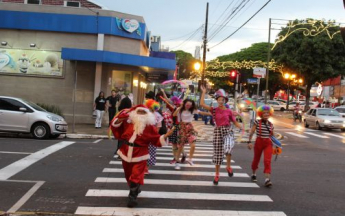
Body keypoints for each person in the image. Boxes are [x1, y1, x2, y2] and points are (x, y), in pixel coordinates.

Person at [110, 105, 174, 207]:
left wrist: (166, 135)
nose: (141, 115)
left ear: (148, 115)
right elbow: (115, 126)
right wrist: (120, 117)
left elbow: (156, 140)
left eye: (143, 113)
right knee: (128, 174)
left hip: (140, 153)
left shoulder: (150, 127)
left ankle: (132, 197)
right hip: (126, 151)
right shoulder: (128, 122)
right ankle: (135, 188)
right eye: (139, 112)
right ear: (134, 113)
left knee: (136, 174)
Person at [200, 86, 242, 185]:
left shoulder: (229, 111)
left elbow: (235, 122)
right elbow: (201, 104)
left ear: (225, 101)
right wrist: (204, 92)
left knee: (228, 148)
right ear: (217, 100)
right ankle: (217, 175)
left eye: (222, 100)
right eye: (219, 99)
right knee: (218, 155)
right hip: (218, 132)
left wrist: (242, 128)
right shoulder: (214, 110)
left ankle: (228, 166)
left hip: (227, 131)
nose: (221, 101)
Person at [173, 98, 209, 170]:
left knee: (193, 144)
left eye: (190, 105)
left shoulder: (192, 110)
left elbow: (202, 113)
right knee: (180, 146)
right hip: (182, 127)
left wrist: (213, 113)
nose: (188, 106)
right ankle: (177, 162)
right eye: (187, 105)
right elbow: (174, 114)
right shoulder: (180, 110)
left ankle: (190, 159)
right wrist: (179, 107)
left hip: (190, 127)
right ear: (184, 104)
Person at [247, 105, 275, 187]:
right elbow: (252, 132)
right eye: (264, 113)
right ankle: (254, 174)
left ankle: (267, 179)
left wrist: (277, 145)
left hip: (268, 143)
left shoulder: (271, 124)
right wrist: (249, 142)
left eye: (267, 113)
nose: (266, 114)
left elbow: (272, 136)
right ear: (261, 114)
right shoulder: (257, 122)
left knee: (267, 161)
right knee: (256, 159)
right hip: (259, 141)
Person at [144, 99, 163, 174]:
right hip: (144, 135)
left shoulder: (157, 115)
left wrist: (154, 136)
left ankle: (146, 168)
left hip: (152, 136)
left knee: (151, 152)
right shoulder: (145, 114)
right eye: (150, 107)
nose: (151, 109)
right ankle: (143, 167)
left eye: (152, 108)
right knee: (142, 151)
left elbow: (158, 127)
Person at [113, 95, 133, 159]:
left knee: (121, 141)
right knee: (126, 142)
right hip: (128, 129)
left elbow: (117, 120)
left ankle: (120, 154)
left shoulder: (122, 111)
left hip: (122, 128)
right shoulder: (130, 111)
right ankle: (124, 154)